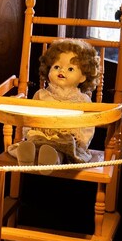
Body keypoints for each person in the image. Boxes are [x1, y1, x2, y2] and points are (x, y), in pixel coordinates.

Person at [10, 38, 101, 170]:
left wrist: (81, 142)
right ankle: (26, 155)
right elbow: (29, 117)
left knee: (61, 149)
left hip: (66, 142)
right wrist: (29, 131)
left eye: (70, 69)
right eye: (57, 67)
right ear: (48, 70)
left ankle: (52, 159)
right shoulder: (41, 95)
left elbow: (87, 126)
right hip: (40, 137)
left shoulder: (83, 101)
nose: (61, 71)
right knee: (33, 142)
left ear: (83, 76)